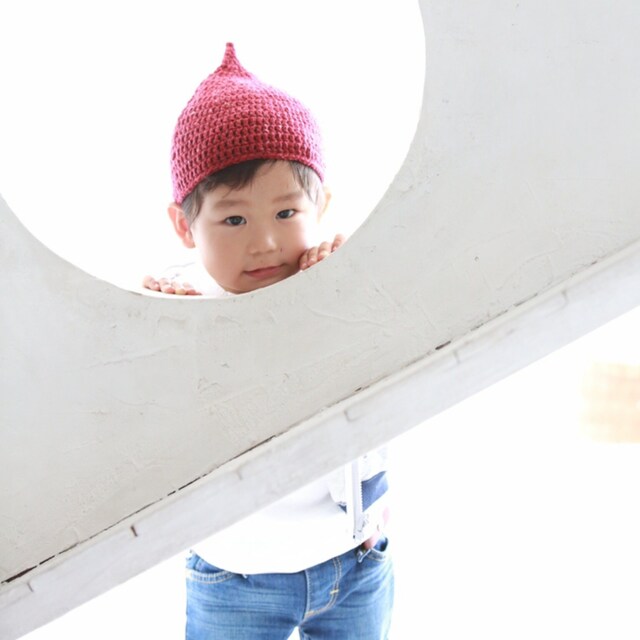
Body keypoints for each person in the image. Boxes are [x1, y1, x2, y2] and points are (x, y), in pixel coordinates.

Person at [144, 43, 393, 640]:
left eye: (286, 214)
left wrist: (344, 287)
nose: (265, 243)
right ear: (184, 226)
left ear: (321, 206)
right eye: (234, 220)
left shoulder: (335, 282)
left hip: (356, 559)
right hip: (238, 578)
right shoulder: (187, 306)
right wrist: (165, 322)